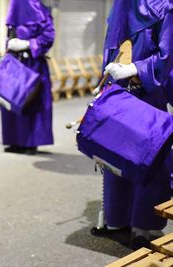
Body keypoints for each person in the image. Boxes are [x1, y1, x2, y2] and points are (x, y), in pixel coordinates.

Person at [90, 0, 173, 250]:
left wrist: (136, 68)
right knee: (114, 156)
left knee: (148, 160)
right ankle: (116, 220)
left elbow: (167, 56)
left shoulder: (165, 7)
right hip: (117, 90)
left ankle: (143, 226)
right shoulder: (121, 5)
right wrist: (107, 80)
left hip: (147, 94)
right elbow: (112, 46)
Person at [1, 0, 55, 155]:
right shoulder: (14, 8)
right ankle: (16, 141)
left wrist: (27, 44)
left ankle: (31, 142)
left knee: (32, 102)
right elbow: (10, 33)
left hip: (33, 64)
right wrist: (10, 44)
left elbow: (48, 36)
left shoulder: (39, 10)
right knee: (11, 101)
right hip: (14, 62)